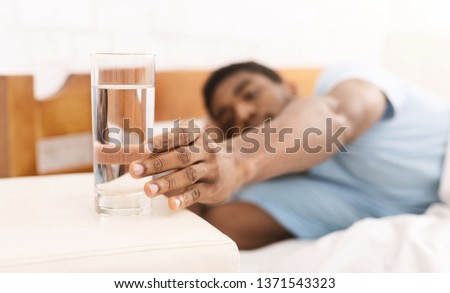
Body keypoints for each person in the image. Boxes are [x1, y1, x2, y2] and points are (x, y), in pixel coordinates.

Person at [129, 61, 450, 250]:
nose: (242, 112)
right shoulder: (288, 187)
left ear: (291, 87)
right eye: (228, 118)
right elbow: (218, 227)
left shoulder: (342, 79)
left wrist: (236, 159)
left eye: (251, 93)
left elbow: (338, 117)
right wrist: (206, 150)